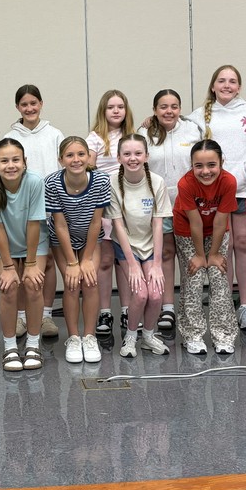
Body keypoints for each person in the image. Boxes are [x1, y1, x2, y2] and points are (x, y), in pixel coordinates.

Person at [188, 65, 246, 331]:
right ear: (213, 86)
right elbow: (176, 131)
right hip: (214, 193)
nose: (227, 85)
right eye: (221, 81)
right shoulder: (199, 117)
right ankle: (224, 302)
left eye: (232, 81)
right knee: (223, 247)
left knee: (243, 244)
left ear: (239, 87)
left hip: (243, 189)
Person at [0, 138, 49, 371]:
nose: (11, 165)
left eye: (16, 160)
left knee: (32, 283)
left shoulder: (35, 182)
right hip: (4, 244)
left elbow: (34, 223)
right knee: (8, 288)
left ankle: (32, 343)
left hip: (34, 241)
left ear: (25, 162)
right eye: (5, 160)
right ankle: (10, 347)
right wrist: (9, 267)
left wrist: (30, 263)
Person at [140, 89, 203, 330]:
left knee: (190, 256)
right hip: (159, 205)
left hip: (188, 204)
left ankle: (191, 307)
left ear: (180, 109)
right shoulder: (144, 132)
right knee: (165, 254)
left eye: (174, 106)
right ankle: (167, 308)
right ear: (155, 110)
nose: (169, 111)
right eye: (163, 107)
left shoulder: (191, 129)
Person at [4, 85, 63, 339]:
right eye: (24, 104)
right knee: (19, 263)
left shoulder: (54, 134)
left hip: (50, 207)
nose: (29, 108)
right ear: (17, 107)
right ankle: (20, 317)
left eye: (33, 103)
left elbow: (63, 167)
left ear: (41, 104)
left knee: (47, 260)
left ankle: (46, 315)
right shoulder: (11, 136)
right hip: (20, 209)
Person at [45, 136, 111, 364]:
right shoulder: (52, 183)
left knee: (91, 281)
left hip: (90, 238)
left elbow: (96, 223)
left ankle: (89, 337)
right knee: (72, 284)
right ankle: (73, 338)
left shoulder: (101, 180)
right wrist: (73, 263)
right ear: (61, 159)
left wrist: (86, 260)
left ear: (89, 157)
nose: (76, 159)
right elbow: (60, 225)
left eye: (81, 154)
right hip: (62, 240)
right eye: (70, 155)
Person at [107, 134, 170, 358]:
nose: (132, 158)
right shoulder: (113, 182)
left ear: (146, 156)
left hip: (150, 245)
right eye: (127, 154)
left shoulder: (157, 182)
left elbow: (157, 224)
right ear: (119, 157)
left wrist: (156, 264)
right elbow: (118, 226)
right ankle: (131, 337)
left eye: (137, 153)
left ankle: (148, 337)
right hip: (126, 247)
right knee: (141, 294)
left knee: (155, 294)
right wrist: (133, 265)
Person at [173, 139, 239, 355]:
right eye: (198, 166)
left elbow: (221, 221)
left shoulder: (229, 182)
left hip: (217, 232)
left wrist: (214, 255)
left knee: (219, 278)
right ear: (191, 165)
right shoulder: (185, 184)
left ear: (221, 162)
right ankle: (192, 334)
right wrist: (200, 256)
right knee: (193, 277)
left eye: (212, 165)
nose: (206, 171)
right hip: (188, 231)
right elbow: (195, 222)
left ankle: (224, 334)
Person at [86, 89, 135, 334]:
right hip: (104, 205)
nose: (116, 111)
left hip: (129, 204)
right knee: (105, 260)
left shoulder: (134, 136)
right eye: (111, 107)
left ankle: (127, 310)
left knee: (125, 259)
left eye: (120, 106)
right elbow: (89, 167)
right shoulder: (94, 138)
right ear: (103, 111)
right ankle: (105, 312)